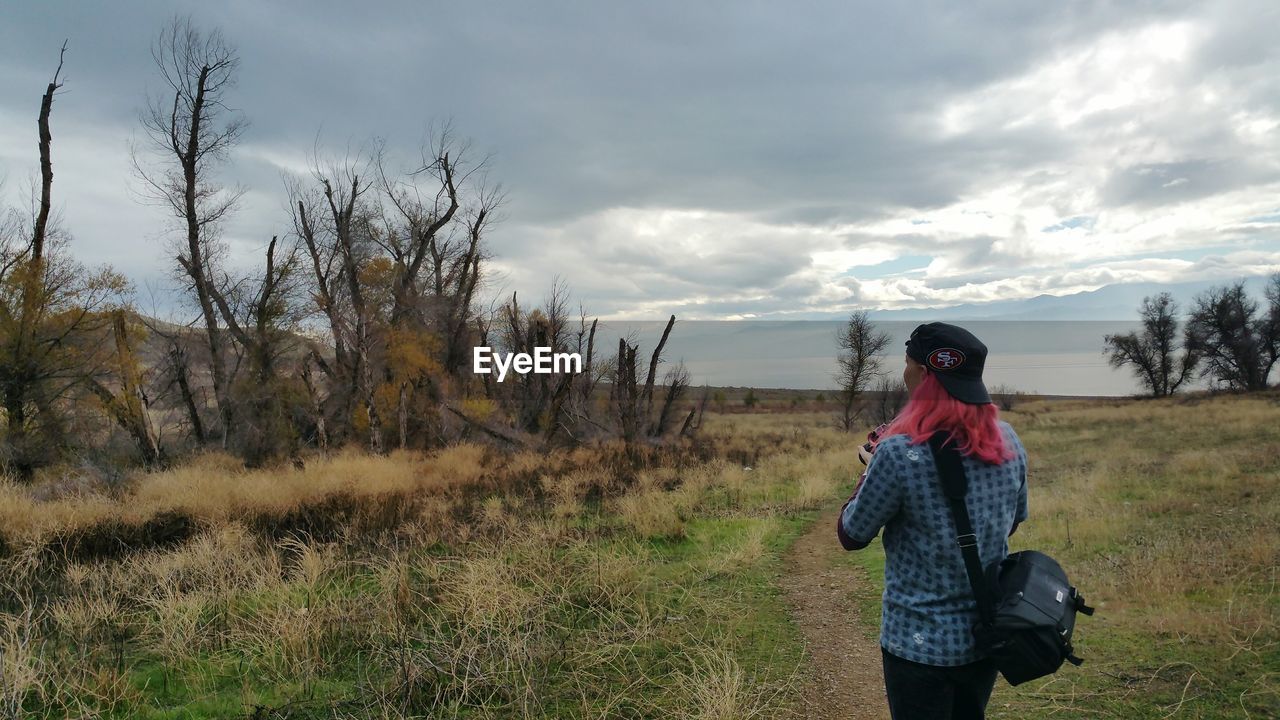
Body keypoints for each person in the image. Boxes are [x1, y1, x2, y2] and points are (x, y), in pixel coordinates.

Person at [837, 322, 1028, 720]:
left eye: (907, 363)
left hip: (916, 645)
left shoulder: (898, 452)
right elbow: (1012, 522)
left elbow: (852, 535)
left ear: (923, 374)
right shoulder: (1008, 439)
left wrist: (868, 471)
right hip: (985, 637)